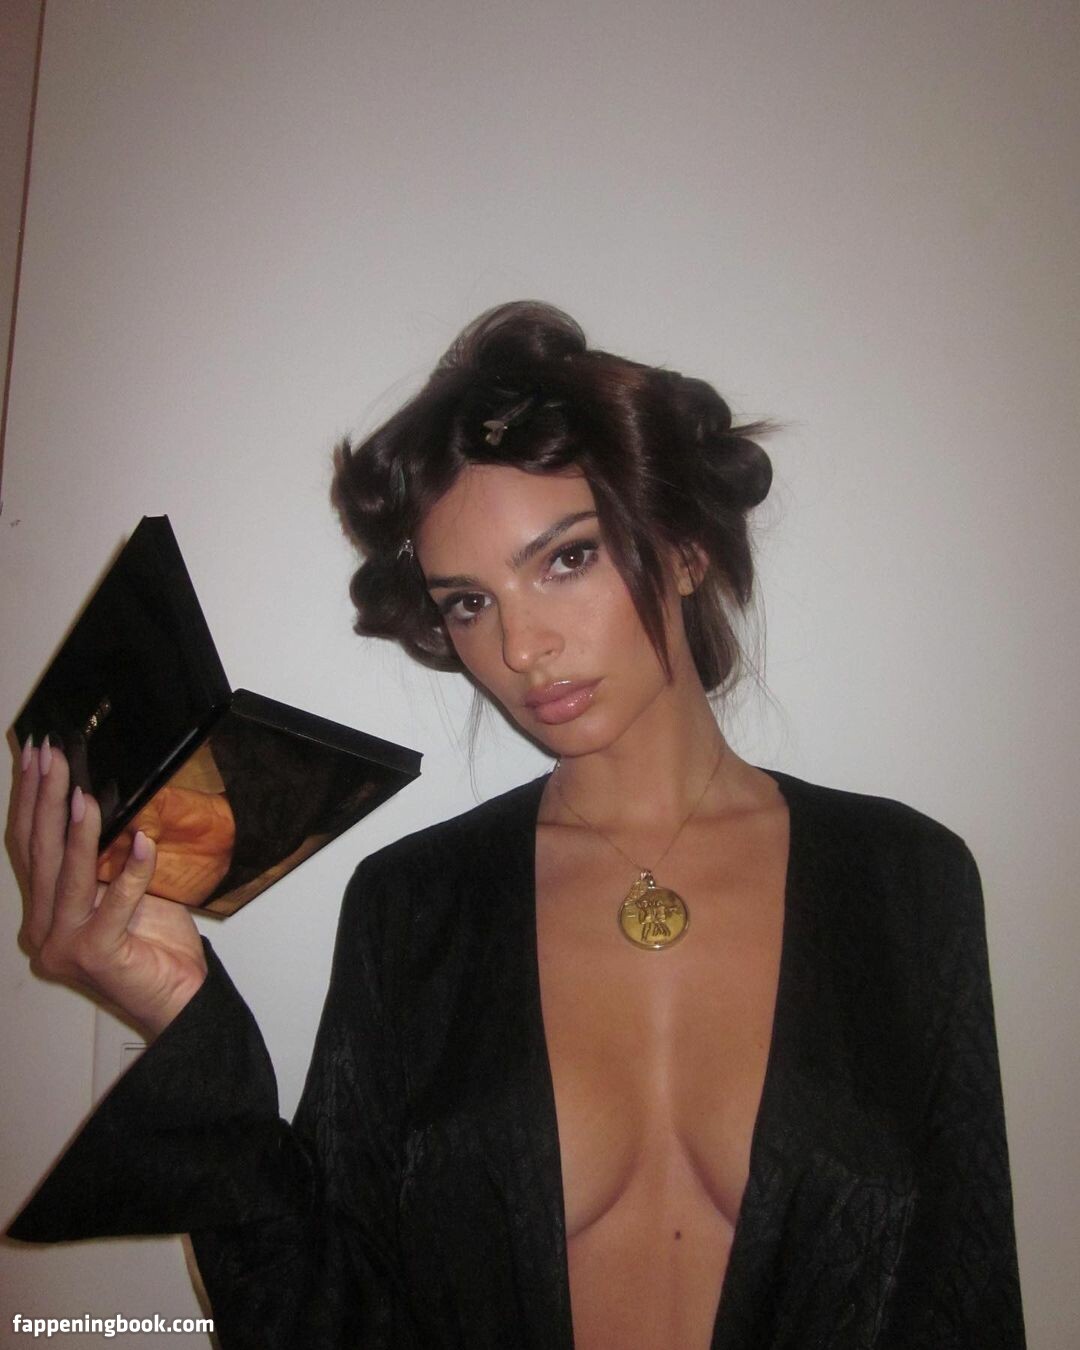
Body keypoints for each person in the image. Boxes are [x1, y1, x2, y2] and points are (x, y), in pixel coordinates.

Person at [8, 302, 1025, 1348]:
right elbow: (329, 1319)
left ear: (684, 548)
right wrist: (182, 1012)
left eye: (566, 559)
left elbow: (966, 1293)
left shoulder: (905, 884)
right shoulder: (415, 909)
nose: (520, 647)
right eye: (468, 602)